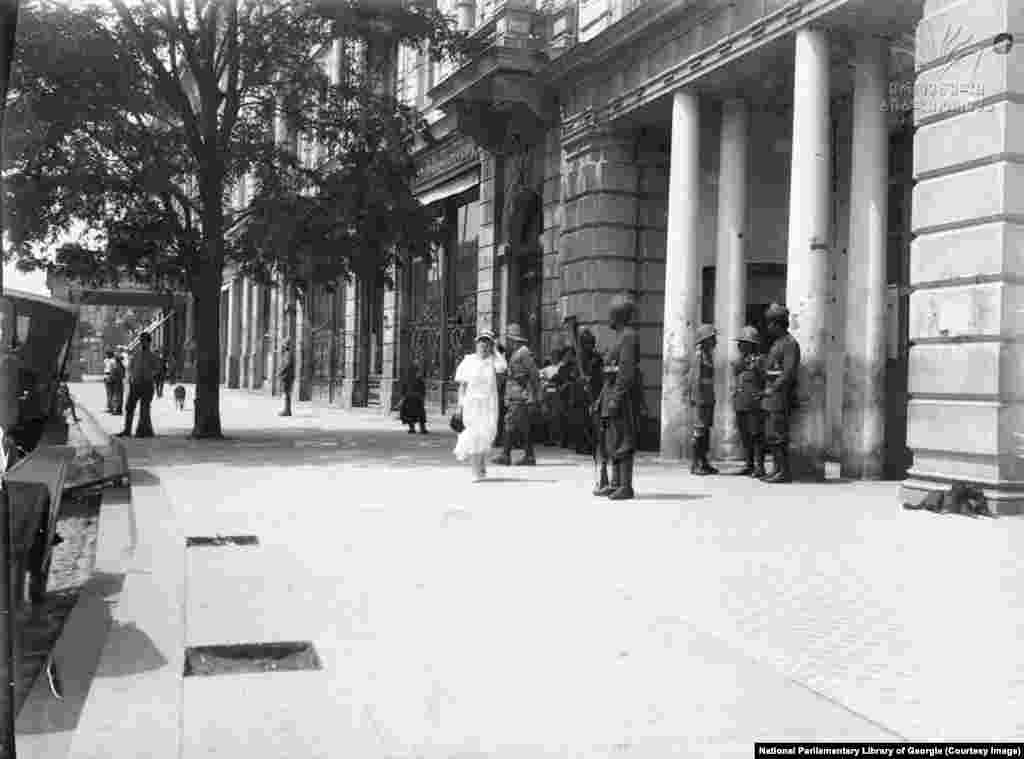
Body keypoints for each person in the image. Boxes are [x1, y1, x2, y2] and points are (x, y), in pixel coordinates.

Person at [596, 295, 641, 500]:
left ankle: (625, 485)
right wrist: (602, 399)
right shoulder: (620, 336)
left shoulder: (629, 336)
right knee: (612, 439)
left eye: (611, 314)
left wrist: (616, 399)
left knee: (623, 439)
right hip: (611, 393)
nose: (609, 318)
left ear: (618, 315)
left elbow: (626, 373)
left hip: (622, 398)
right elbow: (611, 373)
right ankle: (615, 483)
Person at [454, 331, 507, 482]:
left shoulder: (494, 361)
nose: (483, 345)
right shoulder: (468, 361)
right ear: (476, 344)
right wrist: (460, 406)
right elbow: (463, 386)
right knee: (474, 436)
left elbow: (503, 368)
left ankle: (481, 465)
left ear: (491, 345)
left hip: (489, 404)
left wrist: (496, 350)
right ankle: (476, 470)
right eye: (481, 342)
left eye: (487, 343)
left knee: (487, 435)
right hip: (472, 404)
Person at [761, 303, 801, 483]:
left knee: (778, 435)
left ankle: (783, 472)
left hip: (780, 395)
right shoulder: (777, 343)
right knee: (771, 434)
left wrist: (773, 388)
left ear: (778, 324)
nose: (768, 327)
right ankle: (776, 469)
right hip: (771, 396)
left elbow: (788, 372)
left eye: (770, 323)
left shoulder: (789, 344)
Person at [492, 323, 540, 466]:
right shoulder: (516, 352)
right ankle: (529, 456)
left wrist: (536, 395)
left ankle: (505, 455)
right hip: (515, 393)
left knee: (509, 422)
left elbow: (533, 374)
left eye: (509, 339)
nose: (508, 342)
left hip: (520, 394)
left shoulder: (523, 352)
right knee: (524, 426)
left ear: (514, 339)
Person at [732, 325, 766, 477]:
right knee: (744, 434)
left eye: (743, 342)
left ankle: (759, 466)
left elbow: (764, 378)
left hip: (753, 402)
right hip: (741, 402)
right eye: (739, 342)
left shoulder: (760, 360)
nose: (739, 345)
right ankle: (749, 464)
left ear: (751, 344)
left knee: (756, 435)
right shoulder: (740, 360)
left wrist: (755, 365)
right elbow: (737, 373)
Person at [117, 333, 161, 438]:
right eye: (141, 341)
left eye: (145, 341)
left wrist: (149, 375)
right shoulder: (136, 355)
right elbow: (130, 368)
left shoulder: (152, 356)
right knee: (129, 407)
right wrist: (131, 379)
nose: (142, 343)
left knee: (144, 408)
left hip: (147, 384)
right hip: (135, 384)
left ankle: (142, 430)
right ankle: (127, 430)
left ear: (149, 342)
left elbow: (158, 369)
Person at [689, 324, 719, 476]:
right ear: (705, 339)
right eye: (713, 338)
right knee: (699, 430)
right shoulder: (699, 355)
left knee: (706, 430)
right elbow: (695, 379)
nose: (715, 341)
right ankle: (695, 464)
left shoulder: (708, 355)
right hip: (701, 396)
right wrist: (697, 399)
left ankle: (704, 462)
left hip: (707, 396)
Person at [540, 347, 565, 446]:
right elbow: (539, 376)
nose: (553, 358)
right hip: (548, 393)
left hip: (557, 393)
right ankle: (550, 438)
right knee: (548, 416)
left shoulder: (561, 367)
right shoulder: (547, 368)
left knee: (556, 416)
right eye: (552, 356)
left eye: (555, 356)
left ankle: (557, 438)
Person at [399, 364, 428, 434]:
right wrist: (423, 398)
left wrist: (402, 399)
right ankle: (422, 428)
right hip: (416, 399)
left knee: (410, 415)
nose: (419, 373)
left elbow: (403, 390)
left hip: (409, 399)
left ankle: (412, 428)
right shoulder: (419, 380)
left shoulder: (406, 379)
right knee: (420, 415)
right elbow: (423, 390)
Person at [279, 340, 295, 416]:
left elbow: (287, 365)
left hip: (287, 376)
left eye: (284, 345)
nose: (283, 346)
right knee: (286, 393)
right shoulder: (287, 354)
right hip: (287, 376)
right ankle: (287, 410)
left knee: (286, 393)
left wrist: (281, 372)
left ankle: (287, 411)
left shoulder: (288, 354)